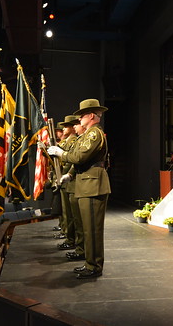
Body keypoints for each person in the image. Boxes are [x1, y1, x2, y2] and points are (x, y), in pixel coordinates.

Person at [48, 99, 110, 279]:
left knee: (93, 229)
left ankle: (94, 265)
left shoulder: (94, 134)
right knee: (87, 227)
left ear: (91, 116)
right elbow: (81, 160)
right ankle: (90, 262)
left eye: (82, 115)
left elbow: (80, 156)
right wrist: (71, 174)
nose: (79, 119)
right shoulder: (88, 134)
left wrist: (62, 153)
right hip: (86, 183)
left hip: (93, 184)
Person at [64, 116, 86, 262]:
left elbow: (76, 158)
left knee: (80, 221)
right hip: (75, 181)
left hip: (81, 183)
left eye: (78, 122)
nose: (77, 125)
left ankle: (81, 249)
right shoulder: (78, 140)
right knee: (73, 217)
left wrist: (61, 154)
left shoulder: (90, 136)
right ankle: (79, 247)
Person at [56, 115, 78, 252]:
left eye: (66, 126)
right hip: (66, 178)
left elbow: (71, 158)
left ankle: (71, 239)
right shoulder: (69, 140)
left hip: (72, 180)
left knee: (71, 215)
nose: (63, 129)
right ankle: (68, 235)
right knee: (66, 212)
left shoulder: (74, 140)